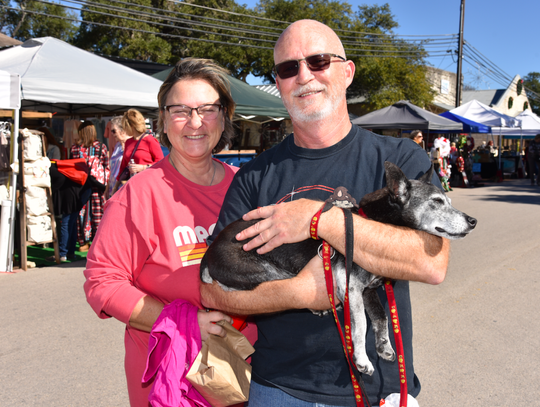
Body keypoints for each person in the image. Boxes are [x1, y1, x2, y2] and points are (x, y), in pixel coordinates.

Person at [200, 20, 449, 407]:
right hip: (277, 390)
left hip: (379, 391)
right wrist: (299, 292)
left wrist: (322, 220)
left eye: (318, 61)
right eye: (288, 68)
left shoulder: (402, 160)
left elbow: (431, 261)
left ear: (347, 72)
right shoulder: (253, 177)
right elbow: (212, 288)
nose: (304, 76)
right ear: (279, 84)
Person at [83, 58, 256, 407]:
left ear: (224, 117)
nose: (195, 122)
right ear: (163, 120)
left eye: (208, 109)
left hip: (248, 372)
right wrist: (184, 322)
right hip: (171, 379)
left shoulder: (246, 188)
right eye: (180, 110)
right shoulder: (139, 194)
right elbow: (103, 283)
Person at [70, 121, 109, 252]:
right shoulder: (101, 147)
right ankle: (98, 241)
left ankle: (83, 242)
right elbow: (105, 166)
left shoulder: (74, 148)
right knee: (98, 212)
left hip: (80, 186)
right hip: (97, 186)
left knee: (82, 213)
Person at [112, 109, 164, 192]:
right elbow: (123, 166)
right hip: (133, 185)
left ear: (131, 125)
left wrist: (143, 167)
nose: (124, 129)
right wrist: (116, 186)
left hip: (148, 185)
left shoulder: (150, 140)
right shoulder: (128, 142)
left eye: (125, 126)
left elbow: (162, 164)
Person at [105, 116, 131, 200]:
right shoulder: (118, 145)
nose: (112, 134)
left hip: (124, 190)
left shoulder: (132, 145)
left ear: (123, 130)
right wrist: (107, 189)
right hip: (113, 190)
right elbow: (113, 170)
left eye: (113, 131)